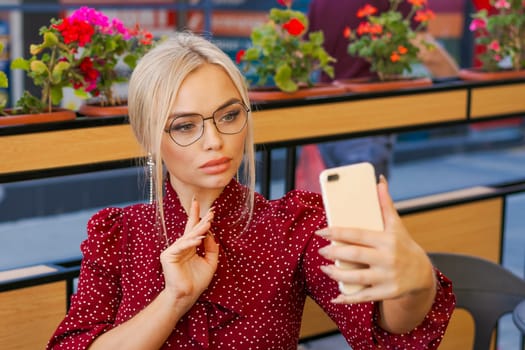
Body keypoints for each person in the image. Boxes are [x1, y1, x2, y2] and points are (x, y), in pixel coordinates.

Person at [47, 32, 455, 349]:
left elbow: (386, 326)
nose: (215, 140)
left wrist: (416, 282)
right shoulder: (117, 235)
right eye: (186, 126)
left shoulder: (292, 226)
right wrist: (174, 298)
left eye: (228, 116)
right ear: (149, 137)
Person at [296, 0, 460, 192]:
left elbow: (306, 57)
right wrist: (461, 88)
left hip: (327, 117)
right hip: (368, 120)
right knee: (366, 207)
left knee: (338, 203)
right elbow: (429, 54)